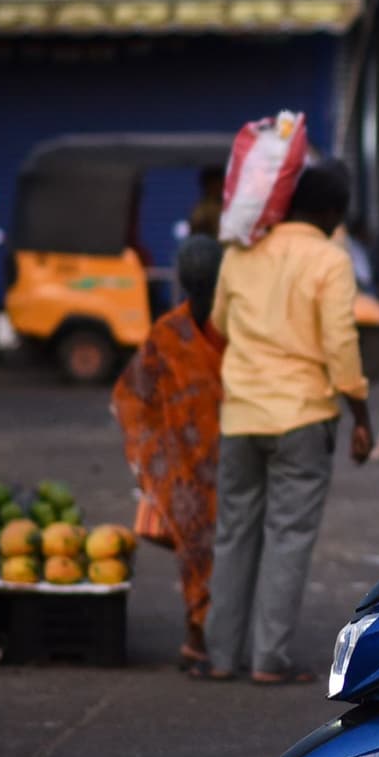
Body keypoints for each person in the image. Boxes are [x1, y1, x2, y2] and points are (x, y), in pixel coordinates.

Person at [190, 165, 374, 686]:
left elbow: (220, 324)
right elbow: (341, 345)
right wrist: (359, 415)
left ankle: (220, 655)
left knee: (233, 534)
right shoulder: (330, 260)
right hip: (303, 416)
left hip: (242, 415)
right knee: (287, 536)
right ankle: (268, 659)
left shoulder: (241, 252)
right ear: (334, 213)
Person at [112, 237, 226, 668]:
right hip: (202, 465)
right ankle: (204, 636)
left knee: (200, 555)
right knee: (209, 553)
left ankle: (202, 635)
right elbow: (133, 397)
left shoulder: (174, 331)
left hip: (206, 465)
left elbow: (131, 396)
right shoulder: (204, 331)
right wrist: (155, 456)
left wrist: (152, 454)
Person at [186, 166, 225, 239]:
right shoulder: (202, 209)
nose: (218, 187)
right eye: (214, 183)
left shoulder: (232, 206)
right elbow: (196, 225)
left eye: (220, 182)